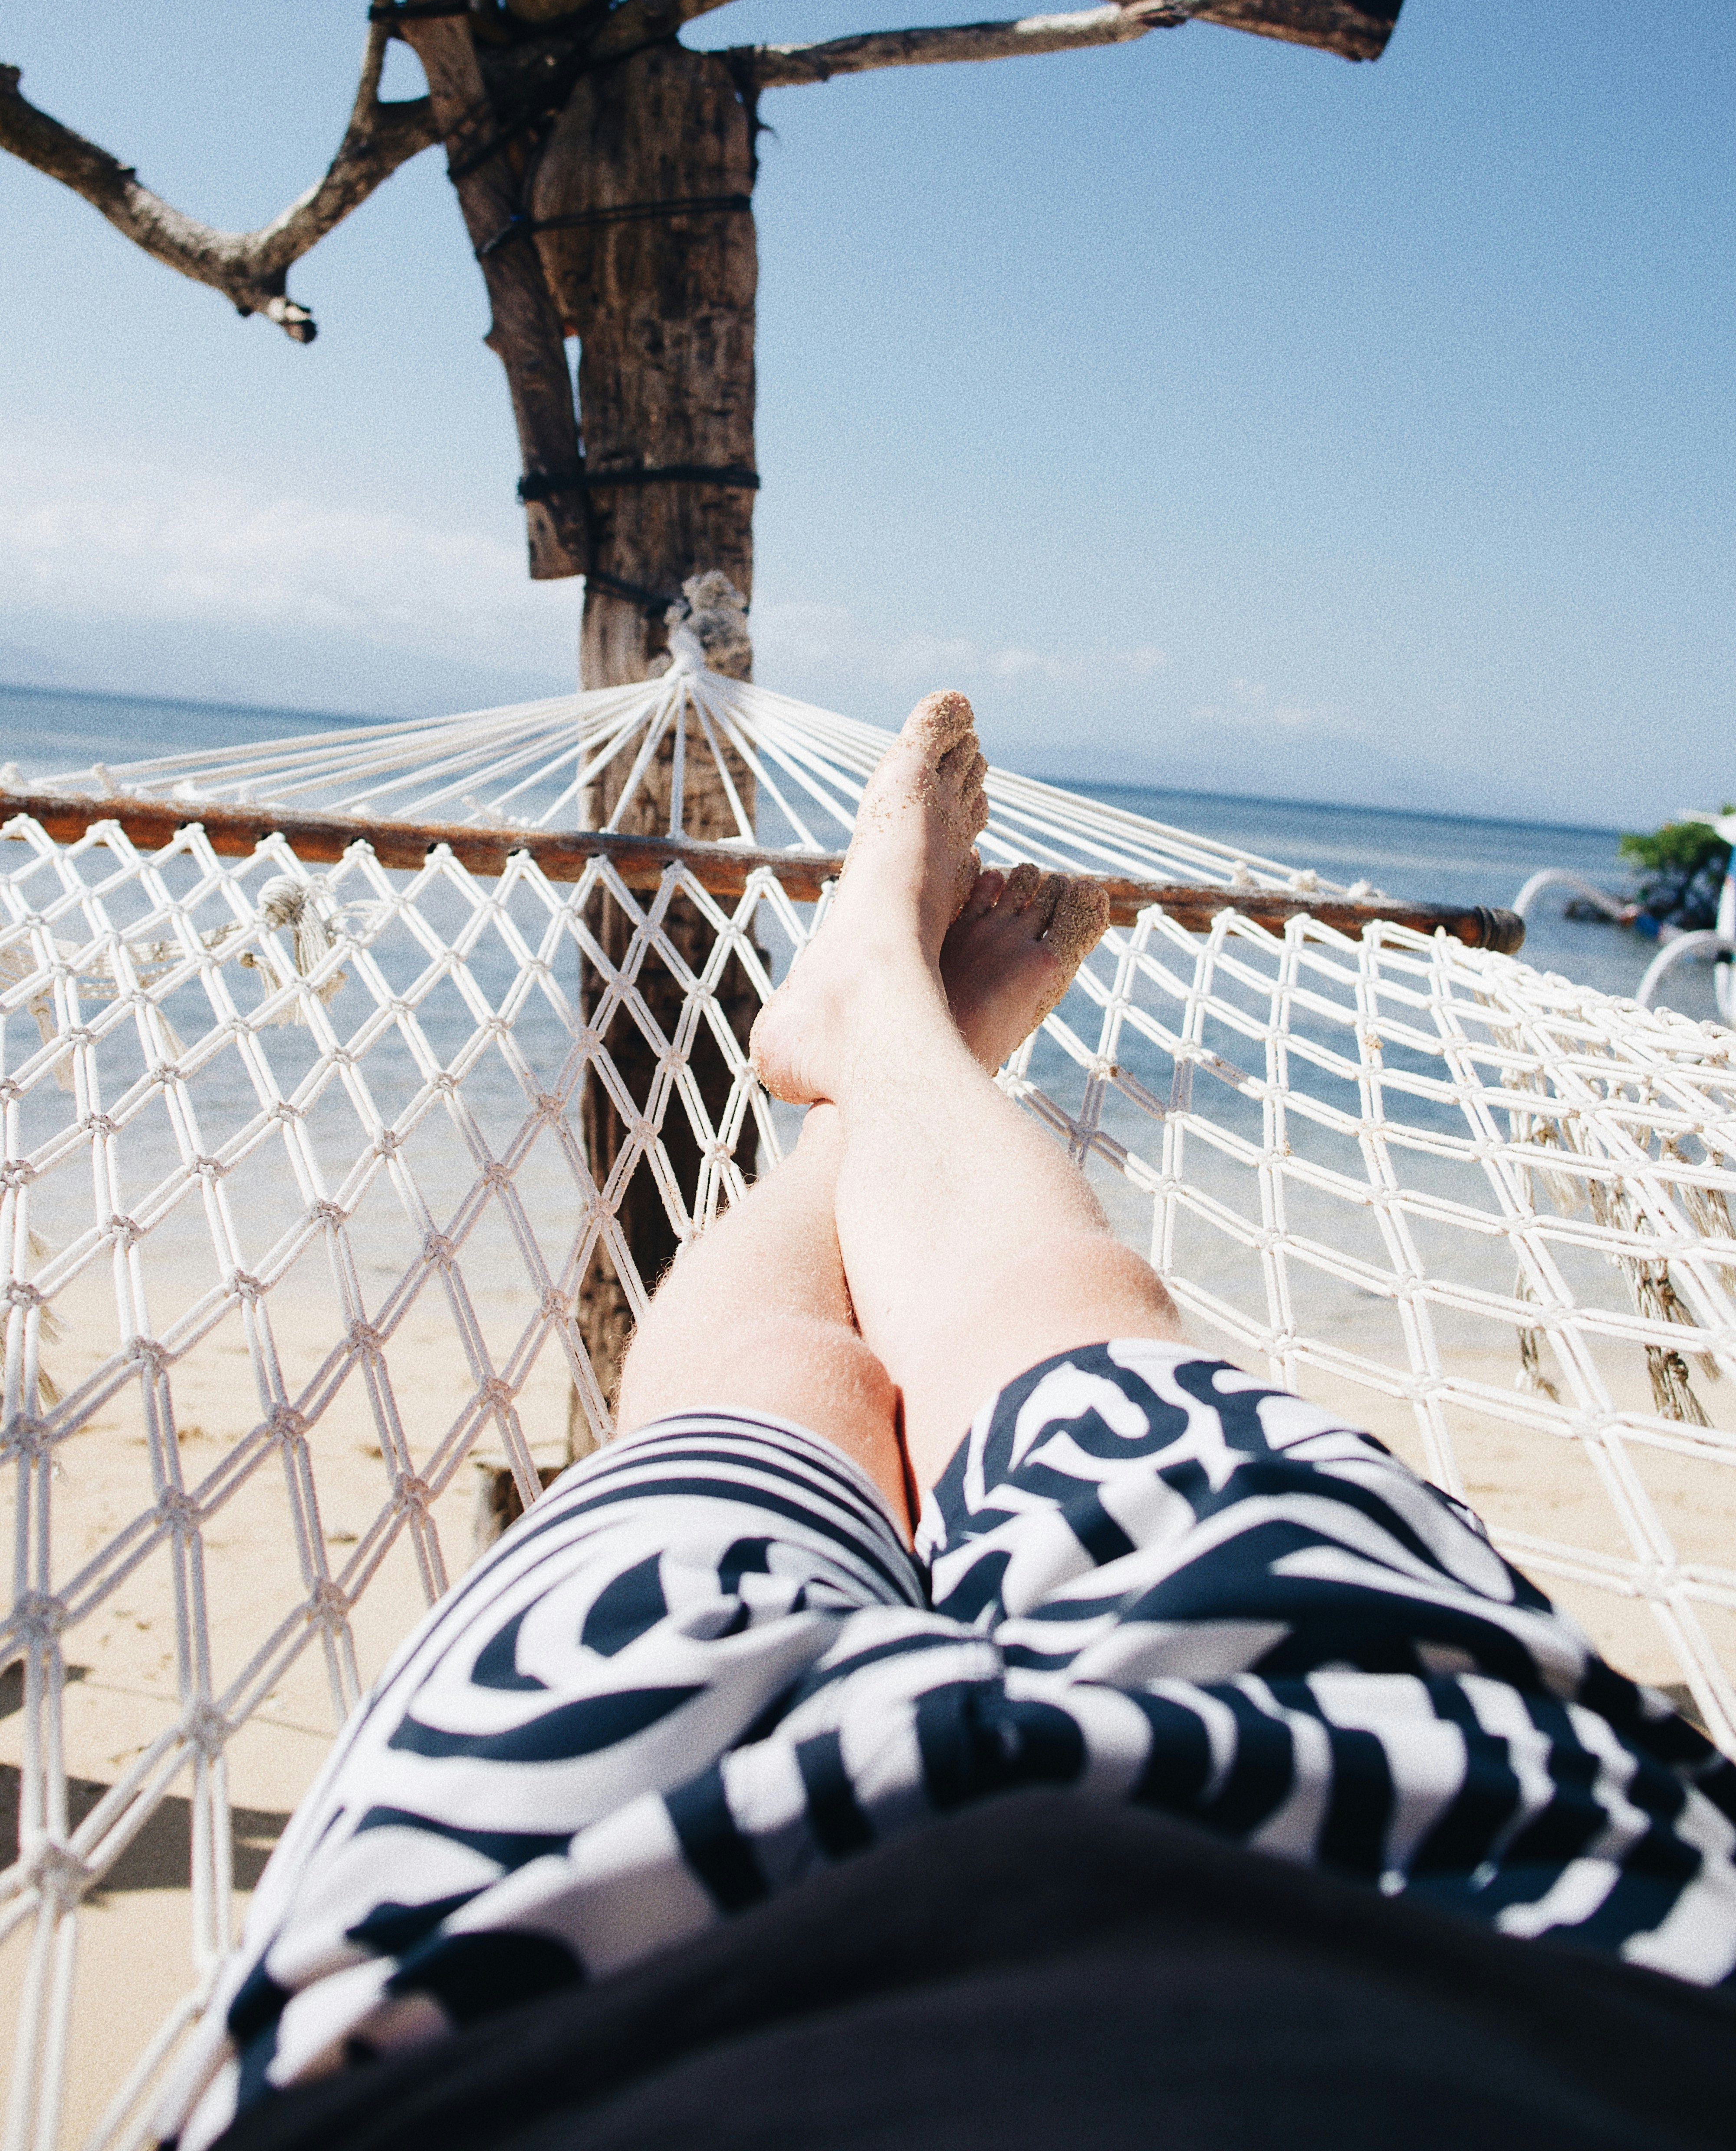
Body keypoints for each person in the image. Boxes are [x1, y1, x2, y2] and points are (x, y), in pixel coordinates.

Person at [157, 695, 1736, 2151]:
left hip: (522, 2010)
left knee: (766, 1426)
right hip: (1498, 1909)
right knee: (1074, 1352)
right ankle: (898, 1037)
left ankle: (879, 1040)